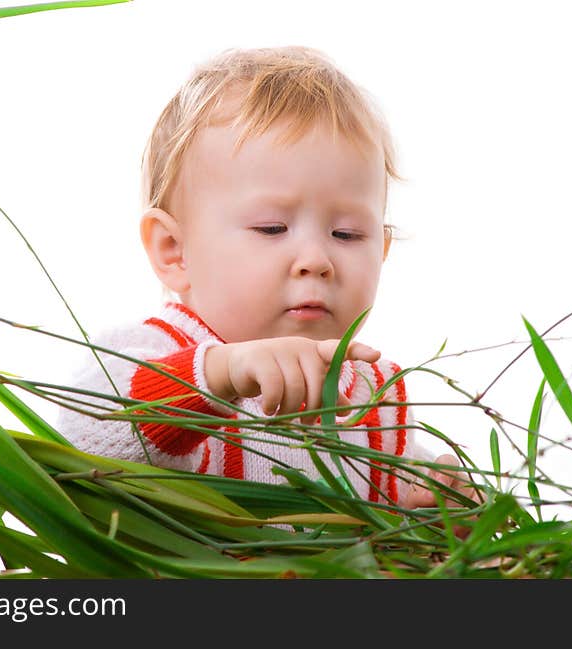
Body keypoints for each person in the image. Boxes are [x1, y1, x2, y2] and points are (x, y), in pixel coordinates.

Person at [57, 46, 475, 513]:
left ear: (381, 250)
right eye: (272, 229)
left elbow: (395, 533)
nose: (316, 259)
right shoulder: (154, 354)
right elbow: (87, 436)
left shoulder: (376, 396)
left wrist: (438, 512)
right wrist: (219, 374)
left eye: (347, 234)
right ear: (174, 251)